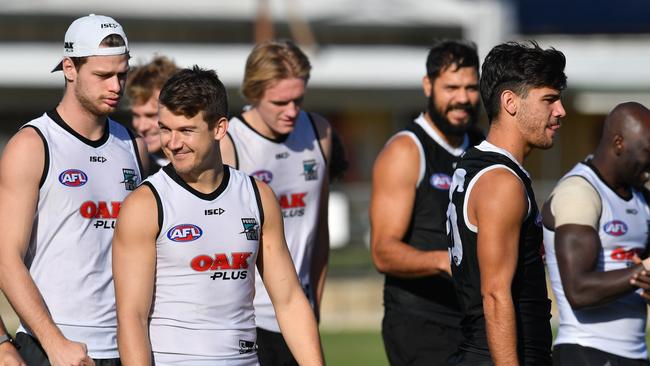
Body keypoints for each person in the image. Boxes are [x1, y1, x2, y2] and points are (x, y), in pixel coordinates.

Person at [112, 66, 324, 366]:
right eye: (165, 129)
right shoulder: (145, 204)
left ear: (219, 128)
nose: (172, 143)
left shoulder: (257, 196)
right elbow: (131, 316)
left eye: (186, 130)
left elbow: (289, 300)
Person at [0, 14, 147, 365]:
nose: (116, 86)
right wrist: (54, 343)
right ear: (69, 68)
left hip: (125, 346)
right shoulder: (33, 144)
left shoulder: (133, 146)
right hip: (53, 345)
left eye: (122, 74)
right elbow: (6, 259)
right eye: (103, 75)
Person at [446, 41, 567, 365]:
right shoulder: (502, 183)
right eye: (549, 100)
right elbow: (496, 296)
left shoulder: (479, 165)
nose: (560, 111)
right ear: (510, 102)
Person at [369, 40, 482, 365]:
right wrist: (444, 261)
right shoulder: (406, 150)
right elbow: (382, 251)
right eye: (451, 87)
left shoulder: (481, 146)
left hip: (475, 317)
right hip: (421, 322)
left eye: (470, 87)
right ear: (428, 85)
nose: (462, 98)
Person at [220, 40, 331, 365]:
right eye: (280, 102)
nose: (292, 111)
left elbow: (319, 228)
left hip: (300, 312)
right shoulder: (230, 142)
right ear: (254, 93)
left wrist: (315, 305)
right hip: (248, 319)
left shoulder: (319, 131)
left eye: (298, 99)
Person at [542, 102, 650, 366]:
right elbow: (578, 291)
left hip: (635, 354)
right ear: (619, 143)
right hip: (586, 352)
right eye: (648, 151)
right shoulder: (579, 192)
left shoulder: (642, 198)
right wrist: (642, 271)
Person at [125, 55, 179, 175]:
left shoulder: (211, 159)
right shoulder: (129, 165)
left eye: (151, 115)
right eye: (136, 115)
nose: (142, 127)